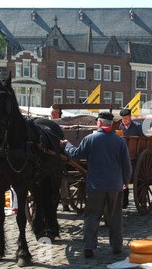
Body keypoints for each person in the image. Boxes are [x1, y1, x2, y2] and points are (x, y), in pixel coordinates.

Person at [60, 112, 132, 258]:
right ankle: (116, 247)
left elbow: (75, 155)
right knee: (115, 217)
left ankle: (88, 247)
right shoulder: (120, 141)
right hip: (114, 185)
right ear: (111, 125)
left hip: (96, 185)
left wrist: (67, 145)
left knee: (92, 216)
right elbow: (127, 166)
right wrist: (125, 181)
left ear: (99, 123)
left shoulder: (90, 139)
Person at [119, 107, 144, 208]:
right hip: (123, 154)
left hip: (135, 154)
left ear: (130, 117)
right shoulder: (120, 126)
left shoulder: (137, 126)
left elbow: (143, 139)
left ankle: (140, 199)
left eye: (126, 118)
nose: (124, 120)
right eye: (123, 118)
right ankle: (123, 202)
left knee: (138, 178)